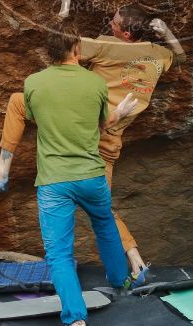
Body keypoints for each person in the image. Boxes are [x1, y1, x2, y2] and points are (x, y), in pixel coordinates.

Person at [0, 0, 185, 277]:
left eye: (115, 21)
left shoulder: (108, 46)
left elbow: (59, 42)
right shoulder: (157, 56)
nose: (109, 22)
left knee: (19, 101)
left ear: (124, 34)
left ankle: (1, 170)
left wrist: (66, 4)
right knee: (103, 209)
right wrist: (166, 33)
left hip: (80, 132)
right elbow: (181, 57)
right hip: (107, 148)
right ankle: (135, 260)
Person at [18, 23, 137, 326]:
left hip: (53, 180)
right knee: (105, 225)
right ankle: (121, 281)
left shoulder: (33, 83)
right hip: (90, 175)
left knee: (58, 252)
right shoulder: (95, 83)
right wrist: (120, 113)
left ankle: (75, 319)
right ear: (77, 49)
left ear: (50, 51)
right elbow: (102, 124)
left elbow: (34, 117)